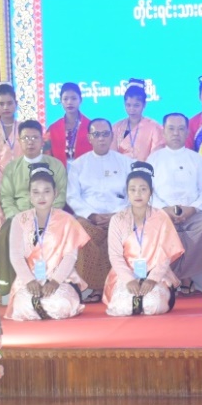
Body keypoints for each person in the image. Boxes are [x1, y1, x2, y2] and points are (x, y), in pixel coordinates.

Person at [150, 112, 202, 295]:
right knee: (156, 227)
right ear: (163, 131)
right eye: (171, 129)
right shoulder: (153, 159)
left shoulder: (196, 159)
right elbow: (148, 192)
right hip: (162, 213)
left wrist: (192, 209)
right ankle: (172, 276)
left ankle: (184, 276)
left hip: (192, 213)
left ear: (187, 131)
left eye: (181, 129)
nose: (176, 133)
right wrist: (164, 210)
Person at [7, 164, 89, 321]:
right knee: (23, 306)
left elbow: (70, 256)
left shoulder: (67, 220)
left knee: (60, 305)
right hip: (30, 279)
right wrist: (29, 280)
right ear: (29, 196)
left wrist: (55, 282)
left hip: (61, 280)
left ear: (55, 193)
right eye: (36, 192)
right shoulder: (20, 220)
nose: (41, 197)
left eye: (46, 191)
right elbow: (15, 255)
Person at [103, 162, 185, 316]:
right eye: (132, 190)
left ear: (151, 192)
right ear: (127, 192)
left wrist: (152, 279)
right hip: (125, 274)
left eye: (143, 189)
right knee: (121, 306)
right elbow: (115, 256)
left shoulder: (161, 218)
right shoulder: (118, 219)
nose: (138, 194)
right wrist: (129, 280)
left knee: (153, 305)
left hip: (156, 274)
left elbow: (165, 255)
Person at [66, 118, 134, 296]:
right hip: (88, 219)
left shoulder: (126, 163)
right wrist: (91, 215)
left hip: (119, 216)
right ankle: (95, 285)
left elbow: (133, 195)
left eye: (105, 134)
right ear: (89, 138)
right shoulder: (78, 165)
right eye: (97, 134)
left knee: (120, 229)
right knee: (81, 229)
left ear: (112, 137)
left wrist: (116, 215)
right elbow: (72, 196)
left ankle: (114, 284)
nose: (101, 138)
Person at [0, 120, 68, 219]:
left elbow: (60, 196)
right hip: (19, 218)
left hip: (50, 218)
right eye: (25, 138)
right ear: (19, 141)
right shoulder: (11, 168)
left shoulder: (56, 165)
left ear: (42, 141)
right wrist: (19, 218)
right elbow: (6, 198)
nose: (30, 142)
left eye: (35, 137)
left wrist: (45, 217)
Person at [112, 77, 163, 161]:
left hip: (146, 171)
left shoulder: (154, 127)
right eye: (128, 105)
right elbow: (112, 155)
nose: (132, 109)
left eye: (136, 105)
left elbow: (156, 156)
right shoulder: (116, 128)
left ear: (144, 104)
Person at [46, 82, 92, 166]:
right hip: (59, 175)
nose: (69, 102)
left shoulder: (91, 126)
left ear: (80, 100)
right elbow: (47, 156)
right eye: (65, 99)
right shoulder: (53, 128)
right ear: (61, 100)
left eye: (74, 98)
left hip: (86, 173)